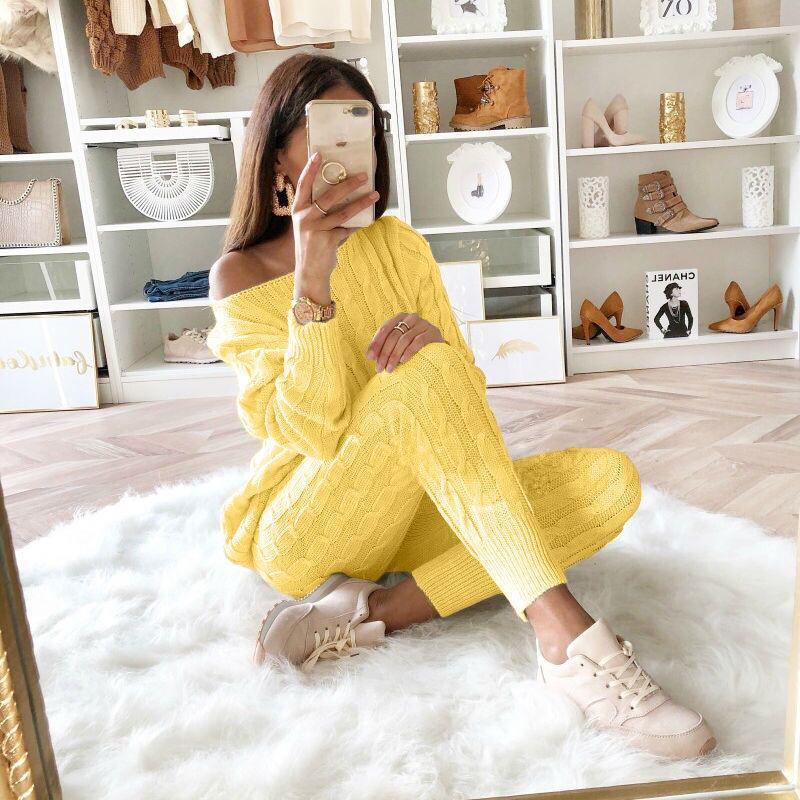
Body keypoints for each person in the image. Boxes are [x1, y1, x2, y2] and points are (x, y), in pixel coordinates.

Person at [206, 53, 716, 760]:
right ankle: (565, 638)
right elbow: (309, 431)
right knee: (421, 372)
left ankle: (371, 612)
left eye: (362, 127)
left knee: (608, 482)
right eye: (326, 130)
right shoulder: (240, 275)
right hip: (310, 526)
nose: (351, 148)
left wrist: (439, 355)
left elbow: (463, 396)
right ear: (277, 158)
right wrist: (313, 280)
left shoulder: (400, 246)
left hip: (412, 509)